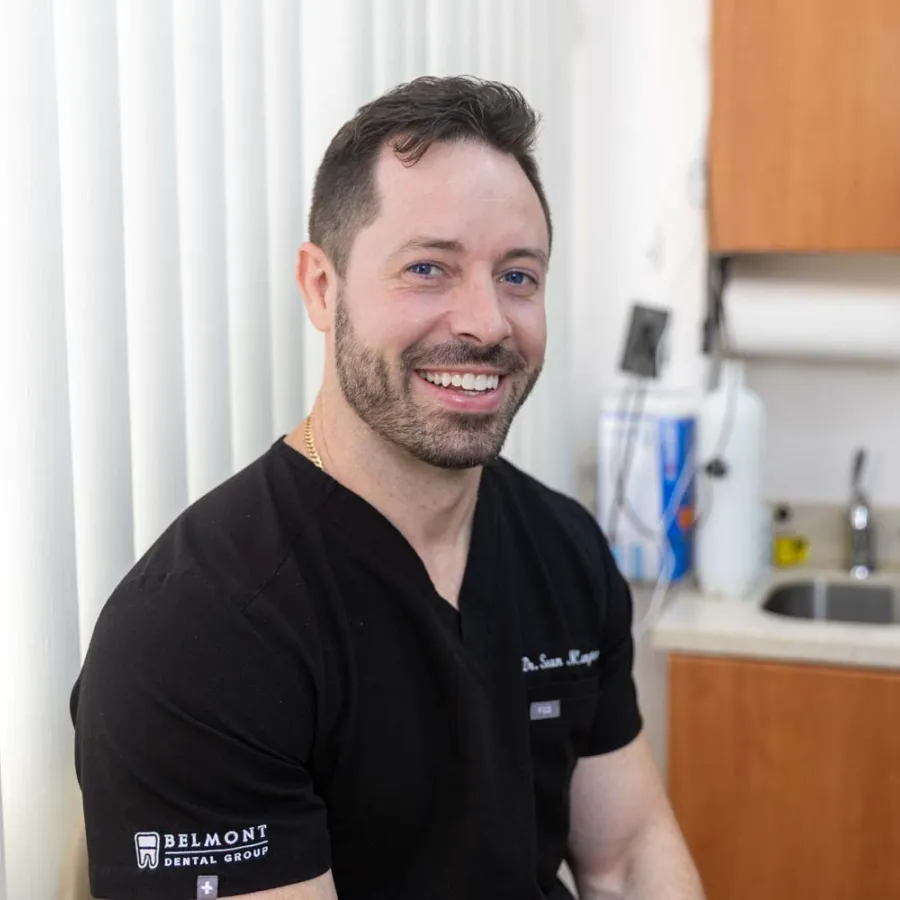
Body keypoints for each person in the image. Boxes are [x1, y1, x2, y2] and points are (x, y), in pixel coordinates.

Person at [70, 76, 704, 900]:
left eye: (518, 276)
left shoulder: (565, 550)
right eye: (429, 268)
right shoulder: (197, 633)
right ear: (322, 289)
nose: (486, 323)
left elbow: (627, 857)